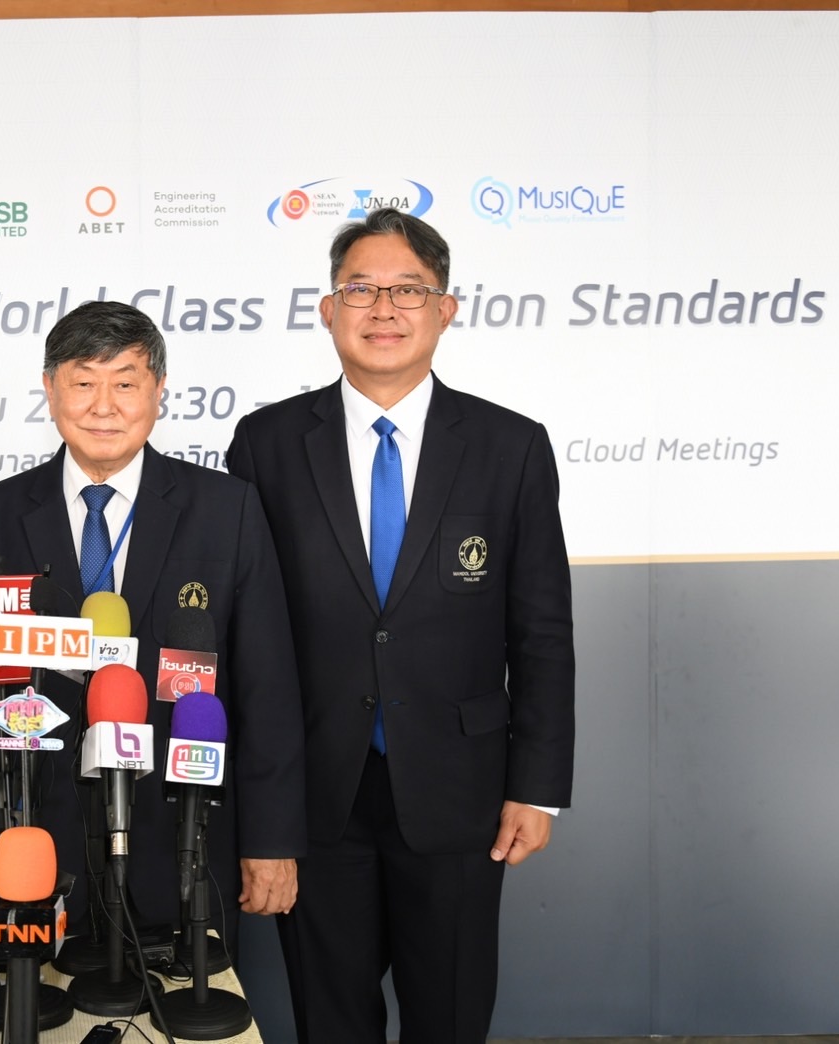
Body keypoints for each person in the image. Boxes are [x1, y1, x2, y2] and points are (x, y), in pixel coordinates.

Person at [227, 209, 575, 1042]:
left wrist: (537, 785)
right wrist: (255, 805)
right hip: (313, 792)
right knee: (330, 1019)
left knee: (449, 1015)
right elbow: (244, 636)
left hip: (461, 791)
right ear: (328, 309)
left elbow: (541, 632)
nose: (383, 308)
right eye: (361, 289)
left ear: (445, 309)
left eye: (408, 290)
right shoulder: (267, 444)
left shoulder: (510, 446)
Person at [0, 300, 307, 941]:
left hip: (185, 846)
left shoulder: (227, 510)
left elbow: (267, 687)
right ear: (50, 389)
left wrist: (271, 839)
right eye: (83, 382)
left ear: (159, 390)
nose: (103, 406)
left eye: (125, 383)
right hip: (31, 849)